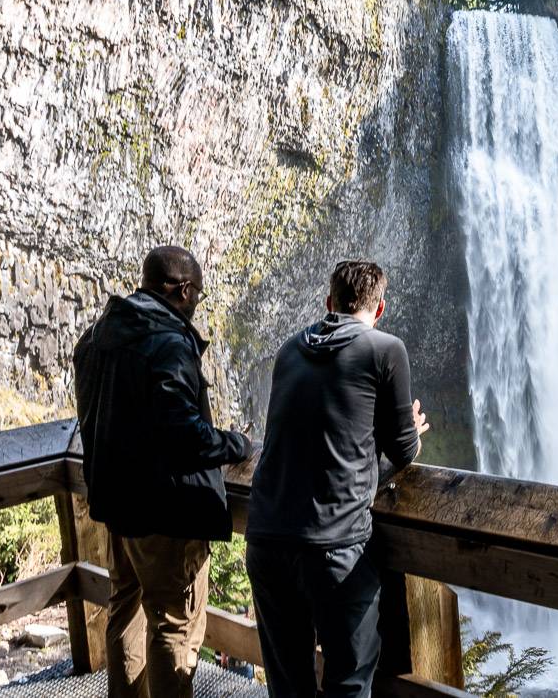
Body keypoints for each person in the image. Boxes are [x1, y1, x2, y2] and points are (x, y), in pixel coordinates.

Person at [73, 246, 251, 698]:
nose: (197, 306)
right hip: (166, 514)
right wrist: (235, 443)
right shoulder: (167, 341)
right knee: (174, 625)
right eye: (198, 296)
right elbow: (183, 435)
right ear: (184, 290)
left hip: (118, 505)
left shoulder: (100, 334)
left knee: (125, 608)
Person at [245, 260, 428, 698]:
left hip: (267, 541)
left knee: (289, 687)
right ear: (379, 308)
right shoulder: (386, 350)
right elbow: (403, 452)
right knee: (348, 683)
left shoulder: (290, 349)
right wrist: (413, 431)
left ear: (328, 303)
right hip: (335, 548)